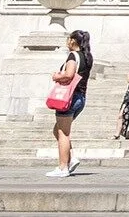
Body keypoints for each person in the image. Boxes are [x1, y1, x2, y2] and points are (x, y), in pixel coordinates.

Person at [47, 29, 93, 177]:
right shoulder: (87, 57)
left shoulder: (73, 56)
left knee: (63, 133)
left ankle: (62, 167)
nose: (67, 42)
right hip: (80, 98)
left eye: (68, 39)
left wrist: (56, 76)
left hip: (69, 97)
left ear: (73, 41)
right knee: (58, 130)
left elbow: (69, 75)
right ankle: (71, 158)